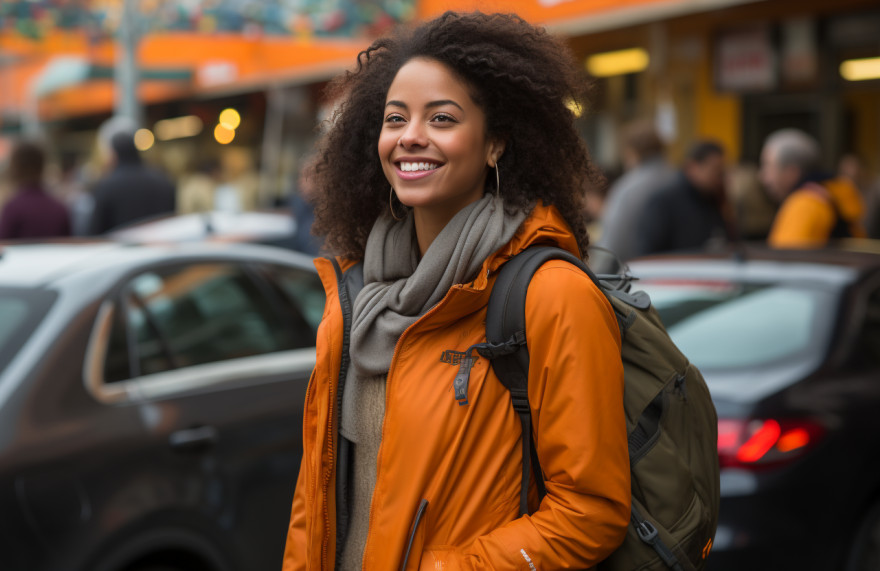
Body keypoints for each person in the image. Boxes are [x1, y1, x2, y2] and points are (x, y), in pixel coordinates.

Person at [283, 12, 630, 571]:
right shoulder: (356, 300)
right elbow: (315, 502)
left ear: (495, 144)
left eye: (441, 118)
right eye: (395, 119)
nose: (411, 136)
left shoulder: (551, 295)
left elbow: (593, 508)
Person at [761, 129, 865, 248]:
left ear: (791, 172)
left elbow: (784, 261)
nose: (762, 176)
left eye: (767, 166)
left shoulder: (804, 205)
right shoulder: (833, 192)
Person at [594, 119, 676, 263]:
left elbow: (612, 245)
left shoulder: (628, 188)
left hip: (636, 274)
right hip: (680, 272)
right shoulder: (676, 179)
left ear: (632, 151)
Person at [636, 140, 731, 256]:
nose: (719, 177)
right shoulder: (664, 201)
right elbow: (648, 252)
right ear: (692, 167)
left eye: (722, 171)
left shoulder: (713, 198)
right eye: (715, 170)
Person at [88, 130, 176, 234]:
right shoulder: (163, 180)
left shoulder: (106, 185)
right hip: (161, 246)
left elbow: (95, 229)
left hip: (120, 248)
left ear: (113, 153)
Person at [0, 140, 71, 241]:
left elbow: (0, 245)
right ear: (42, 166)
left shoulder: (12, 208)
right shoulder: (59, 208)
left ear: (16, 168)